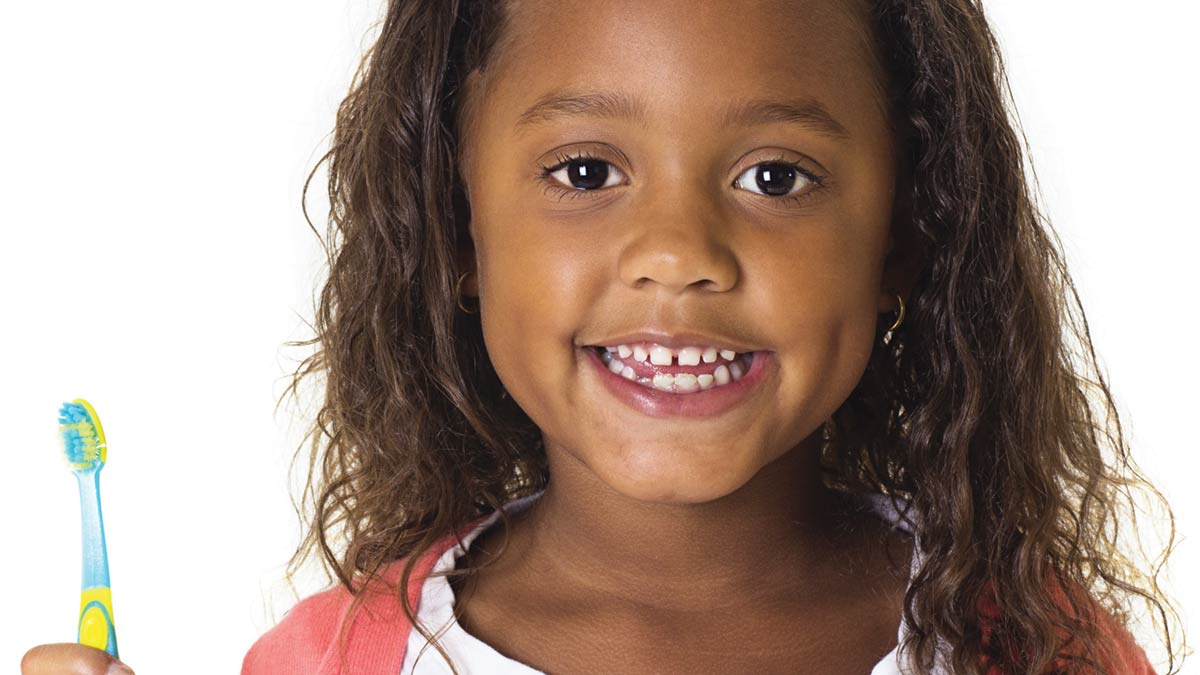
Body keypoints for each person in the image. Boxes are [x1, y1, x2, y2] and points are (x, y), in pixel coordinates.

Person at [23, 0, 1185, 673]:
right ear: (457, 228)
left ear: (904, 237)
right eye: (585, 172)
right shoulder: (333, 663)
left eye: (776, 176)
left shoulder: (1042, 651)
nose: (677, 250)